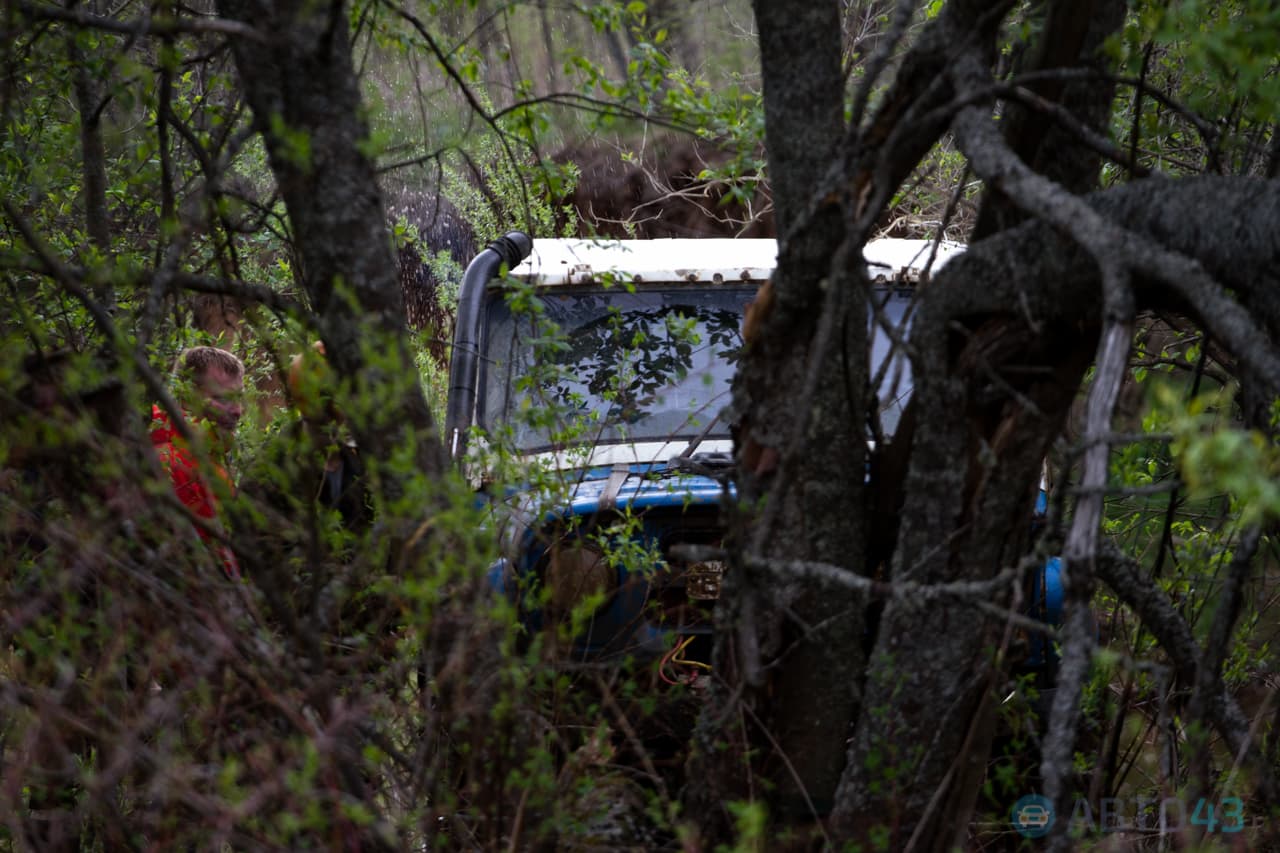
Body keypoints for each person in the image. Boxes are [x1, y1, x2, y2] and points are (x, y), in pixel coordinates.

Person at [149, 345, 244, 577]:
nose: (238, 411)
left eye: (238, 398)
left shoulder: (208, 456)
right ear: (186, 395)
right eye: (222, 398)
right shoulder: (169, 462)